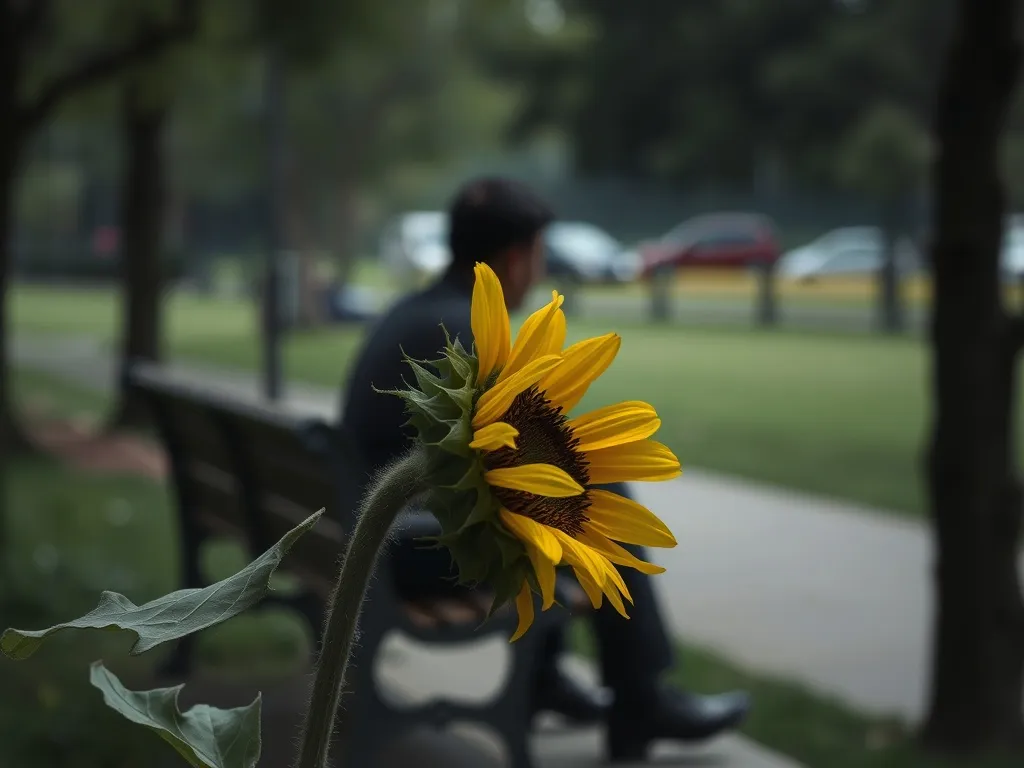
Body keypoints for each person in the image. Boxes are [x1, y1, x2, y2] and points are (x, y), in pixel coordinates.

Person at [340, 177, 750, 761]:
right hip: (405, 548)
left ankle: (553, 680)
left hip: (375, 529)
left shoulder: (415, 312)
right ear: (515, 258)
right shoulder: (472, 333)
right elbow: (505, 472)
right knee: (589, 491)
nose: (538, 270)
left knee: (571, 495)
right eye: (537, 255)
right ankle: (641, 699)